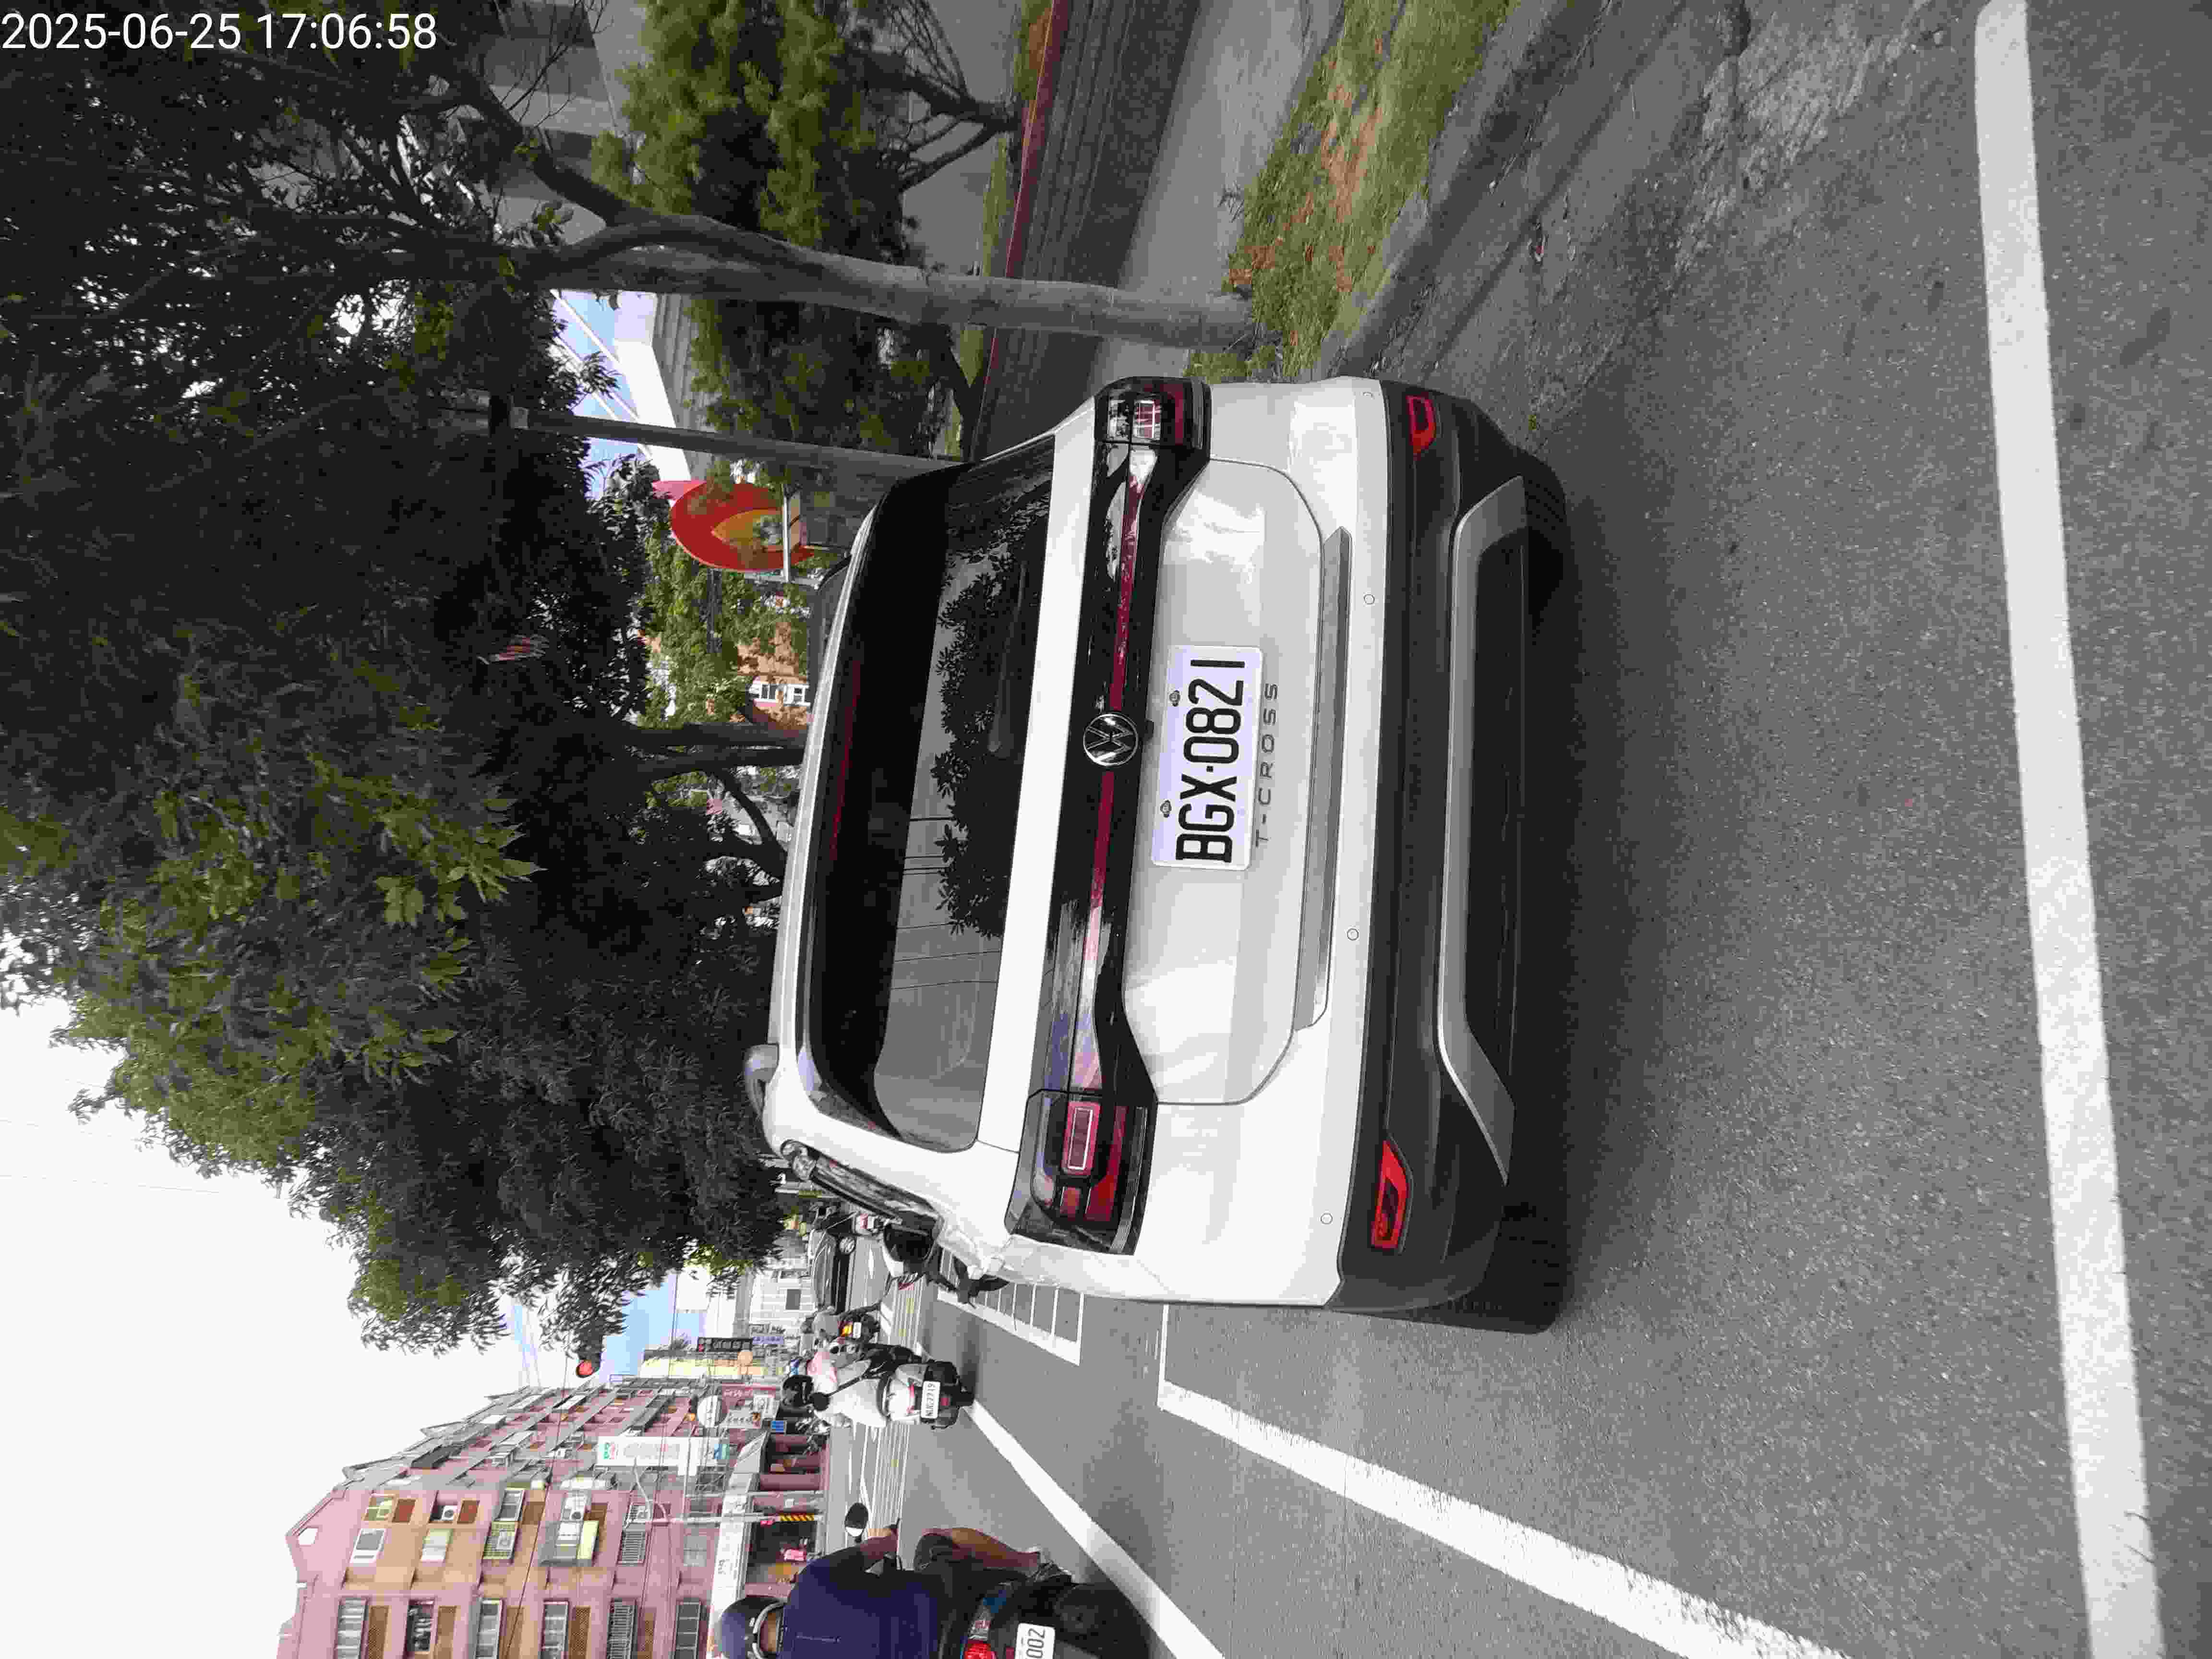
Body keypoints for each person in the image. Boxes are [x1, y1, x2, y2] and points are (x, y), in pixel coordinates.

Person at [721, 1523, 1044, 1657]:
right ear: (766, 1603)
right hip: (954, 1599)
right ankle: (1031, 1565)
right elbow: (880, 1547)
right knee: (934, 1540)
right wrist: (890, 1535)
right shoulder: (810, 1582)